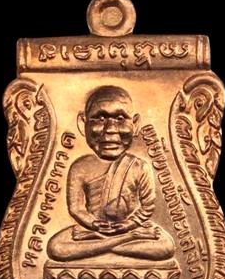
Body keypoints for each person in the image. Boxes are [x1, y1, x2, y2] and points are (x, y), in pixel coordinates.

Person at [47, 85, 175, 262]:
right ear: (82, 124)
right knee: (56, 247)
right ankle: (119, 242)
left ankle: (102, 245)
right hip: (93, 230)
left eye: (120, 118)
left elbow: (147, 206)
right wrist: (93, 224)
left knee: (166, 246)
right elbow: (76, 208)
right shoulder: (80, 167)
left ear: (135, 124)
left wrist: (128, 225)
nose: (110, 129)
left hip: (130, 228)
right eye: (100, 118)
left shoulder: (139, 166)